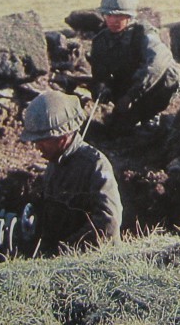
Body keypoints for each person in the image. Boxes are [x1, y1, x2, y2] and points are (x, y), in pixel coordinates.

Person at [20, 90, 122, 254]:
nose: (37, 147)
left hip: (90, 265)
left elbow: (108, 222)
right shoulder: (55, 163)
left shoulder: (95, 166)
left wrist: (63, 253)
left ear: (62, 136)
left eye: (42, 141)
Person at [89, 0, 180, 135]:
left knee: (170, 72)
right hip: (126, 88)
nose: (113, 20)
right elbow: (99, 75)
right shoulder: (100, 42)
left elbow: (156, 64)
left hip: (147, 87)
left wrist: (130, 96)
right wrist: (102, 88)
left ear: (129, 17)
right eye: (108, 16)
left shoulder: (145, 33)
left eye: (119, 16)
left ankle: (151, 115)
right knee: (119, 129)